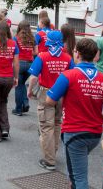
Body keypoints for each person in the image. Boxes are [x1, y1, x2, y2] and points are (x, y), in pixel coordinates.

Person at [46, 38, 103, 189]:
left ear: (77, 54)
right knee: (74, 172)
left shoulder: (68, 76)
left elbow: (50, 100)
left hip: (74, 132)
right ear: (95, 56)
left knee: (79, 179)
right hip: (95, 134)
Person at [27, 30, 74, 170]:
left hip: (46, 93)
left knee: (46, 126)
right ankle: (53, 152)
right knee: (57, 123)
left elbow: (34, 77)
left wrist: (30, 90)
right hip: (62, 94)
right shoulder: (68, 58)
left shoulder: (42, 56)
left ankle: (49, 160)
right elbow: (72, 76)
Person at [13, 20, 35, 115]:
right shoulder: (32, 38)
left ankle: (18, 110)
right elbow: (35, 52)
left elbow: (14, 53)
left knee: (18, 85)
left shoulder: (16, 38)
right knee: (21, 84)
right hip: (30, 64)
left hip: (20, 64)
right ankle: (25, 103)